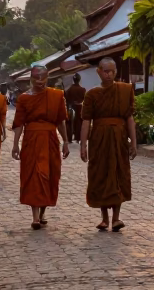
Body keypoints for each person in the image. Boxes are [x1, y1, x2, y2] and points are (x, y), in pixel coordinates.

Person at [80, 58, 136, 231]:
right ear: (98, 71)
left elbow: (129, 118)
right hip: (99, 139)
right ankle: (104, 218)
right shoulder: (92, 94)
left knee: (118, 173)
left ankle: (116, 218)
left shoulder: (125, 90)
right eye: (105, 71)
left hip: (119, 138)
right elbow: (86, 121)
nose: (109, 74)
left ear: (116, 72)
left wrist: (133, 142)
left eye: (112, 71)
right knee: (101, 174)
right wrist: (83, 145)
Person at [11, 64, 69, 229]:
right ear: (31, 78)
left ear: (48, 78)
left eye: (43, 77)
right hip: (31, 140)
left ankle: (43, 213)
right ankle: (35, 216)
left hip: (50, 139)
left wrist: (65, 141)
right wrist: (15, 145)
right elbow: (19, 123)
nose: (40, 81)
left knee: (49, 174)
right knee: (34, 175)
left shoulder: (56, 96)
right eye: (36, 77)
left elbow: (60, 121)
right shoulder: (24, 98)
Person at [65, 73, 86, 144]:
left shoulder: (69, 89)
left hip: (71, 107)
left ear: (73, 80)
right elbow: (85, 99)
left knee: (69, 122)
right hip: (80, 108)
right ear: (79, 80)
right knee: (79, 122)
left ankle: (69, 139)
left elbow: (66, 99)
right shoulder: (83, 90)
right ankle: (78, 138)